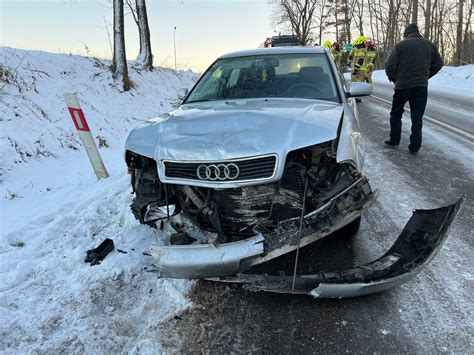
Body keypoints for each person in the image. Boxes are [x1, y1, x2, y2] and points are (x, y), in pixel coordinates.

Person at [384, 23, 443, 154]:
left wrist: (395, 79)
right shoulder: (430, 45)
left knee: (396, 114)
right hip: (421, 87)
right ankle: (415, 146)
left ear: (406, 34)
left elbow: (389, 65)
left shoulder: (400, 46)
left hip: (402, 87)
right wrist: (426, 75)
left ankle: (394, 140)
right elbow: (439, 63)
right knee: (417, 118)